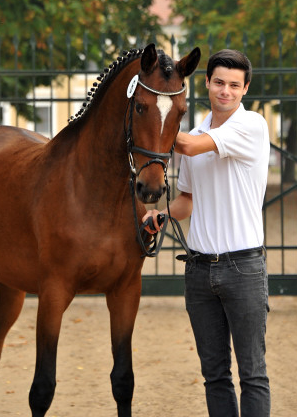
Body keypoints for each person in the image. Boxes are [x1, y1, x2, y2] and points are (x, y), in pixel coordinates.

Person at [143, 49, 271, 417]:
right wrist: (161, 215)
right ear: (207, 83)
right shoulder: (196, 130)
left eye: (234, 85)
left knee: (253, 375)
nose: (225, 91)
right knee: (214, 376)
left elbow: (188, 145)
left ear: (245, 88)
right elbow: (186, 200)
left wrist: (151, 118)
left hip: (243, 269)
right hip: (198, 272)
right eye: (219, 83)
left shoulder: (252, 126)